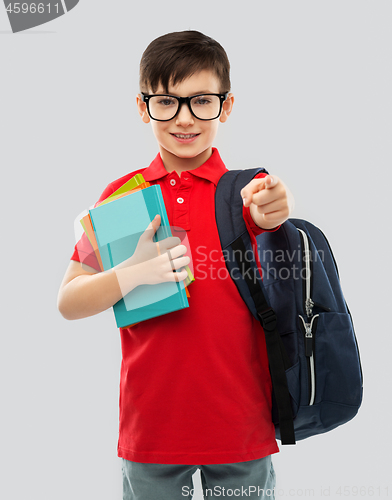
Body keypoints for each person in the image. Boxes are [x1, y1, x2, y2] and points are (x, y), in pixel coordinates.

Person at [57, 30, 295, 500]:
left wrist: (274, 205)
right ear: (144, 107)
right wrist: (134, 274)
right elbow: (69, 301)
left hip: (240, 427)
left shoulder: (244, 193)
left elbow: (270, 211)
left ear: (226, 107)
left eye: (201, 101)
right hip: (152, 431)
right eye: (167, 102)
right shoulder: (123, 197)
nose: (184, 118)